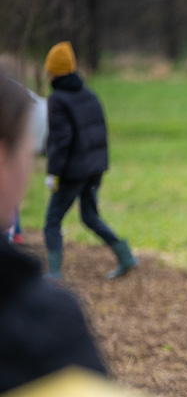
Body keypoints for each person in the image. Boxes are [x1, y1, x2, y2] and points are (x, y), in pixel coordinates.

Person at [0, 70, 178, 397]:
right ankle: (90, 260)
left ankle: (99, 257)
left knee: (60, 217)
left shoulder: (60, 100)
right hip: (93, 167)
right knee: (78, 216)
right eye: (26, 153)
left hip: (80, 166)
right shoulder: (36, 317)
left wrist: (61, 167)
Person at [42, 41, 138, 280]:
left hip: (74, 170)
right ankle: (125, 256)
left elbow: (61, 140)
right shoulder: (89, 94)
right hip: (95, 167)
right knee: (90, 216)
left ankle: (53, 273)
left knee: (52, 220)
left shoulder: (58, 99)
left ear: (53, 70)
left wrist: (53, 172)